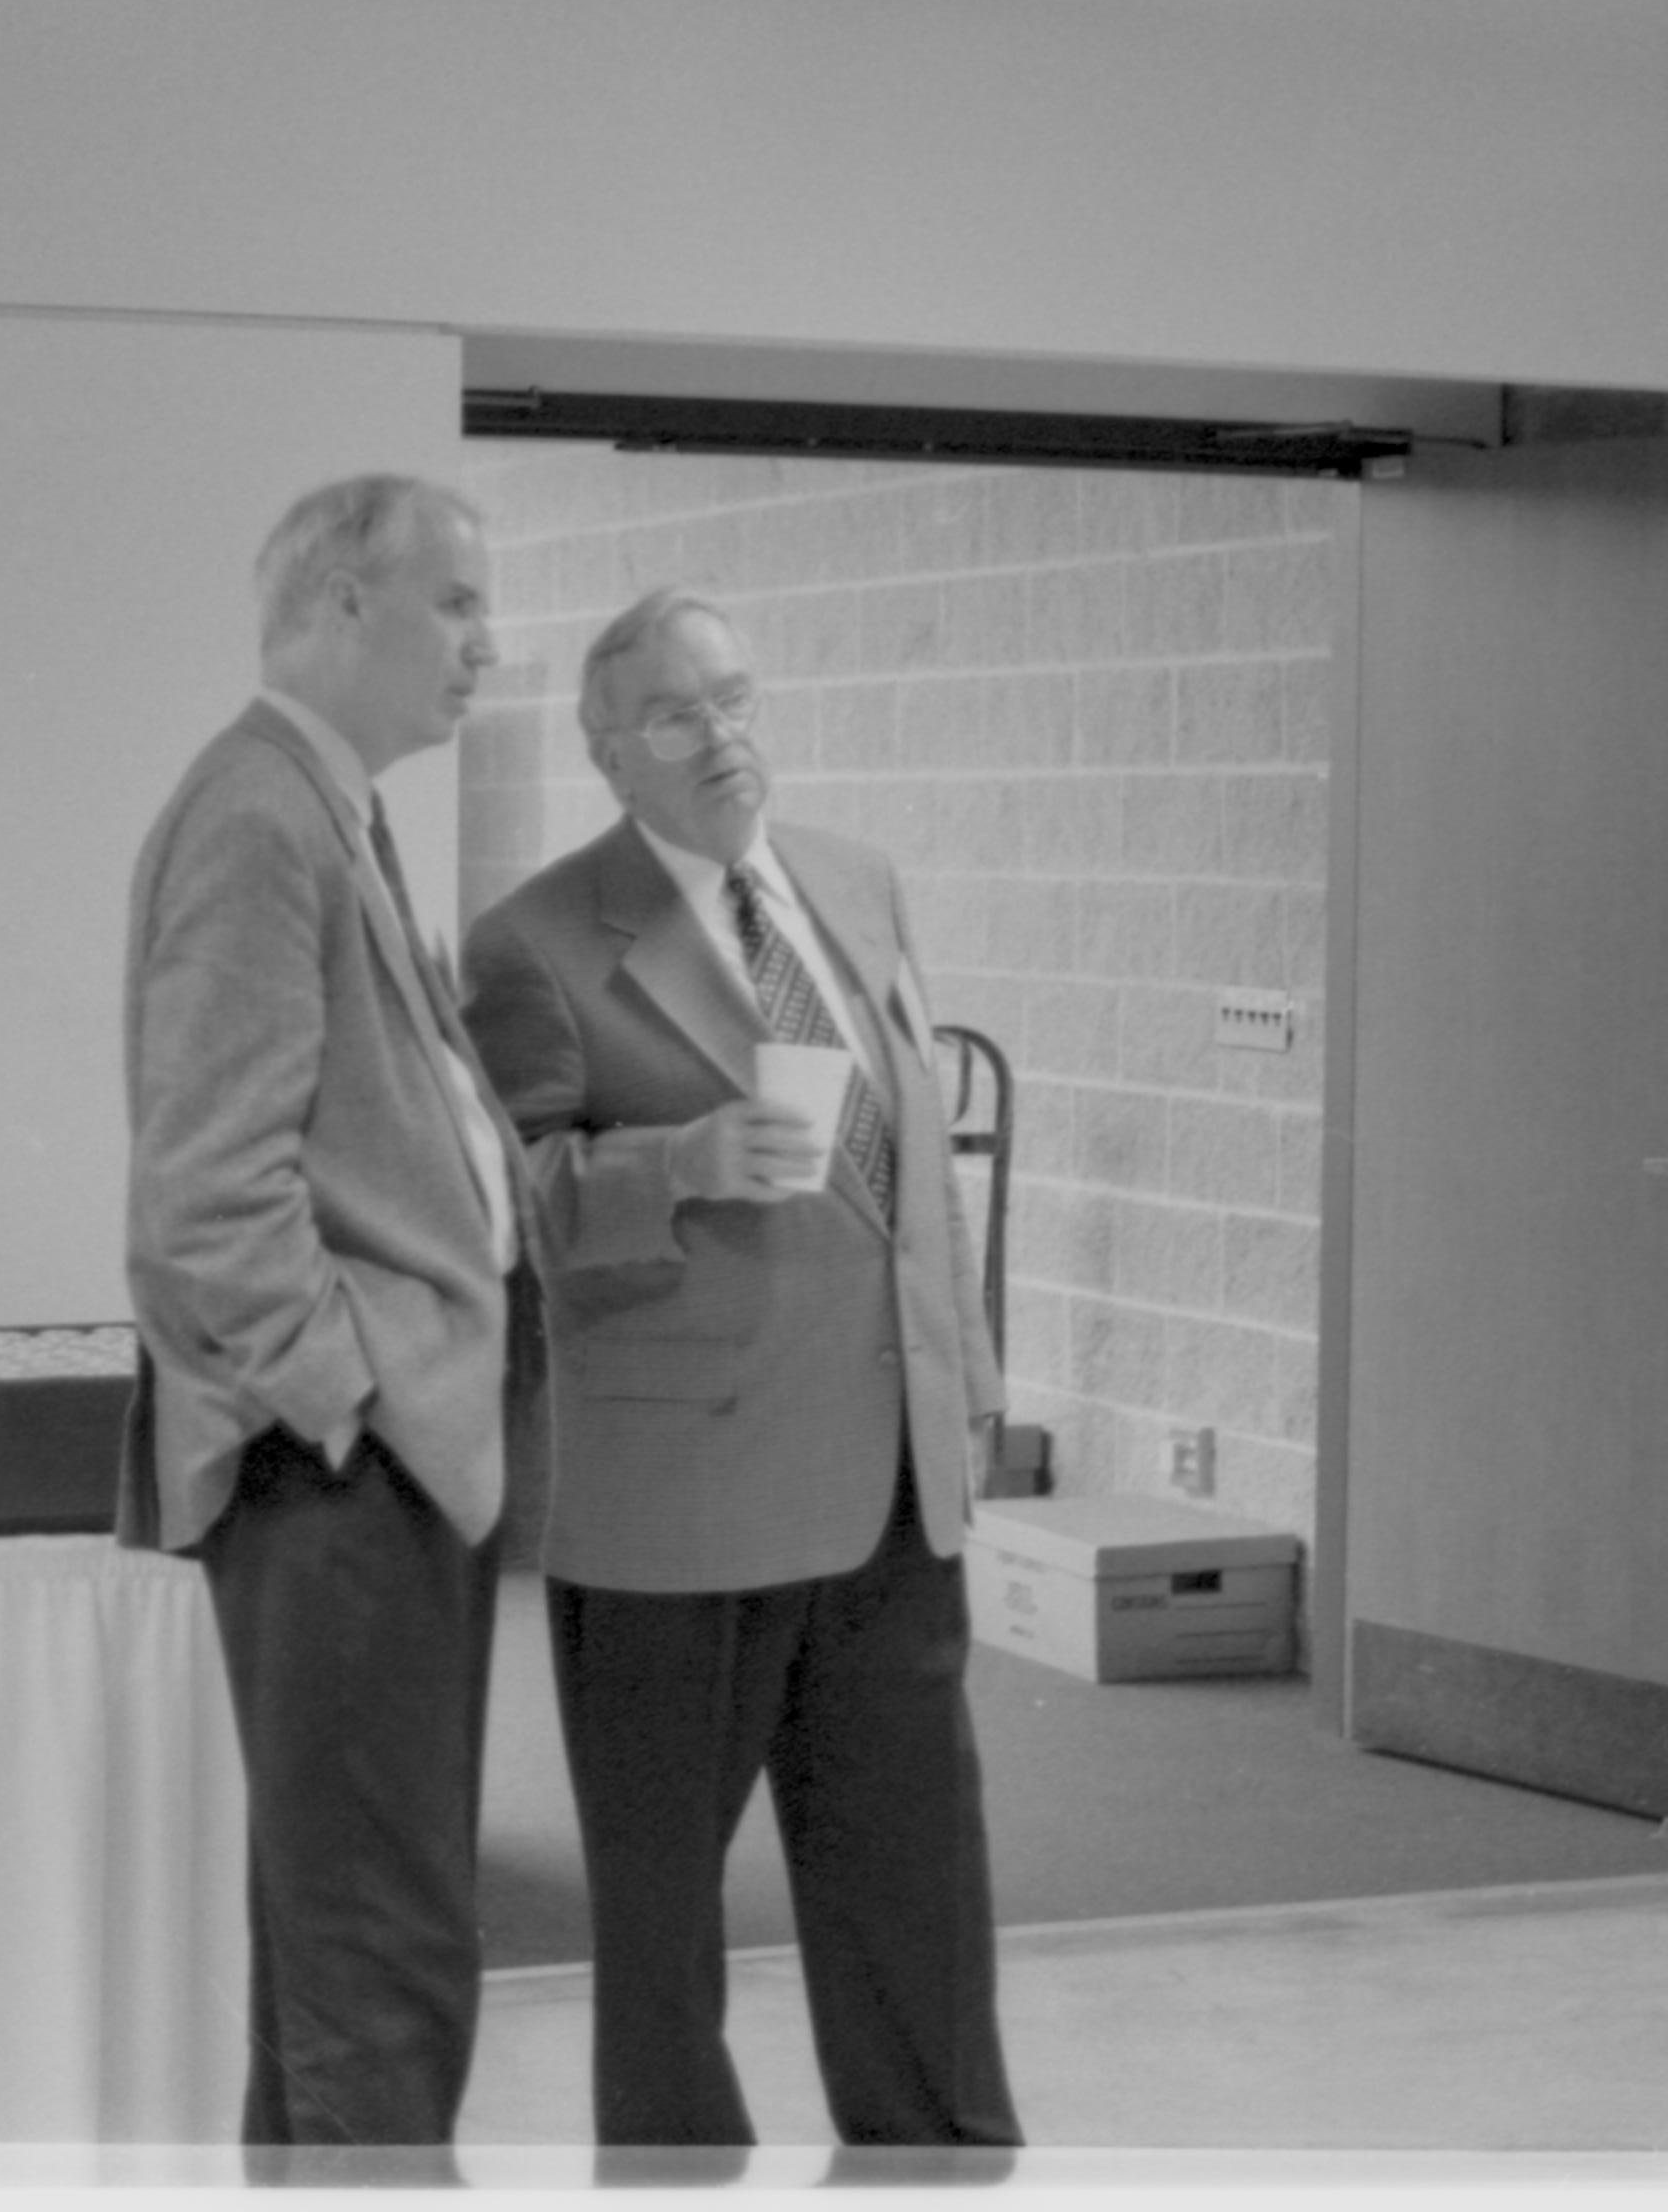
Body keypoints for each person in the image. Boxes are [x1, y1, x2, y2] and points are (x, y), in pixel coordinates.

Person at [459, 587, 1021, 2158]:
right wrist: (680, 1161)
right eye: (675, 716)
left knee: (920, 1881)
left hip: (893, 1483)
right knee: (660, 1931)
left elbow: (916, 1157)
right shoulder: (534, 943)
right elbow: (507, 1208)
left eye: (737, 699)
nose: (722, 738)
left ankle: (942, 2165)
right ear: (608, 754)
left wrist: (966, 1379)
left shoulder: (854, 881)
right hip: (678, 1499)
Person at [116, 473, 540, 2169]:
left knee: (346, 1954)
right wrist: (349, 1399)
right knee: (383, 1966)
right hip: (339, 1472)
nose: (486, 648)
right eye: (456, 606)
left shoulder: (326, 808)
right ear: (342, 604)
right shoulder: (260, 816)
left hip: (385, 1465)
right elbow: (207, 1195)